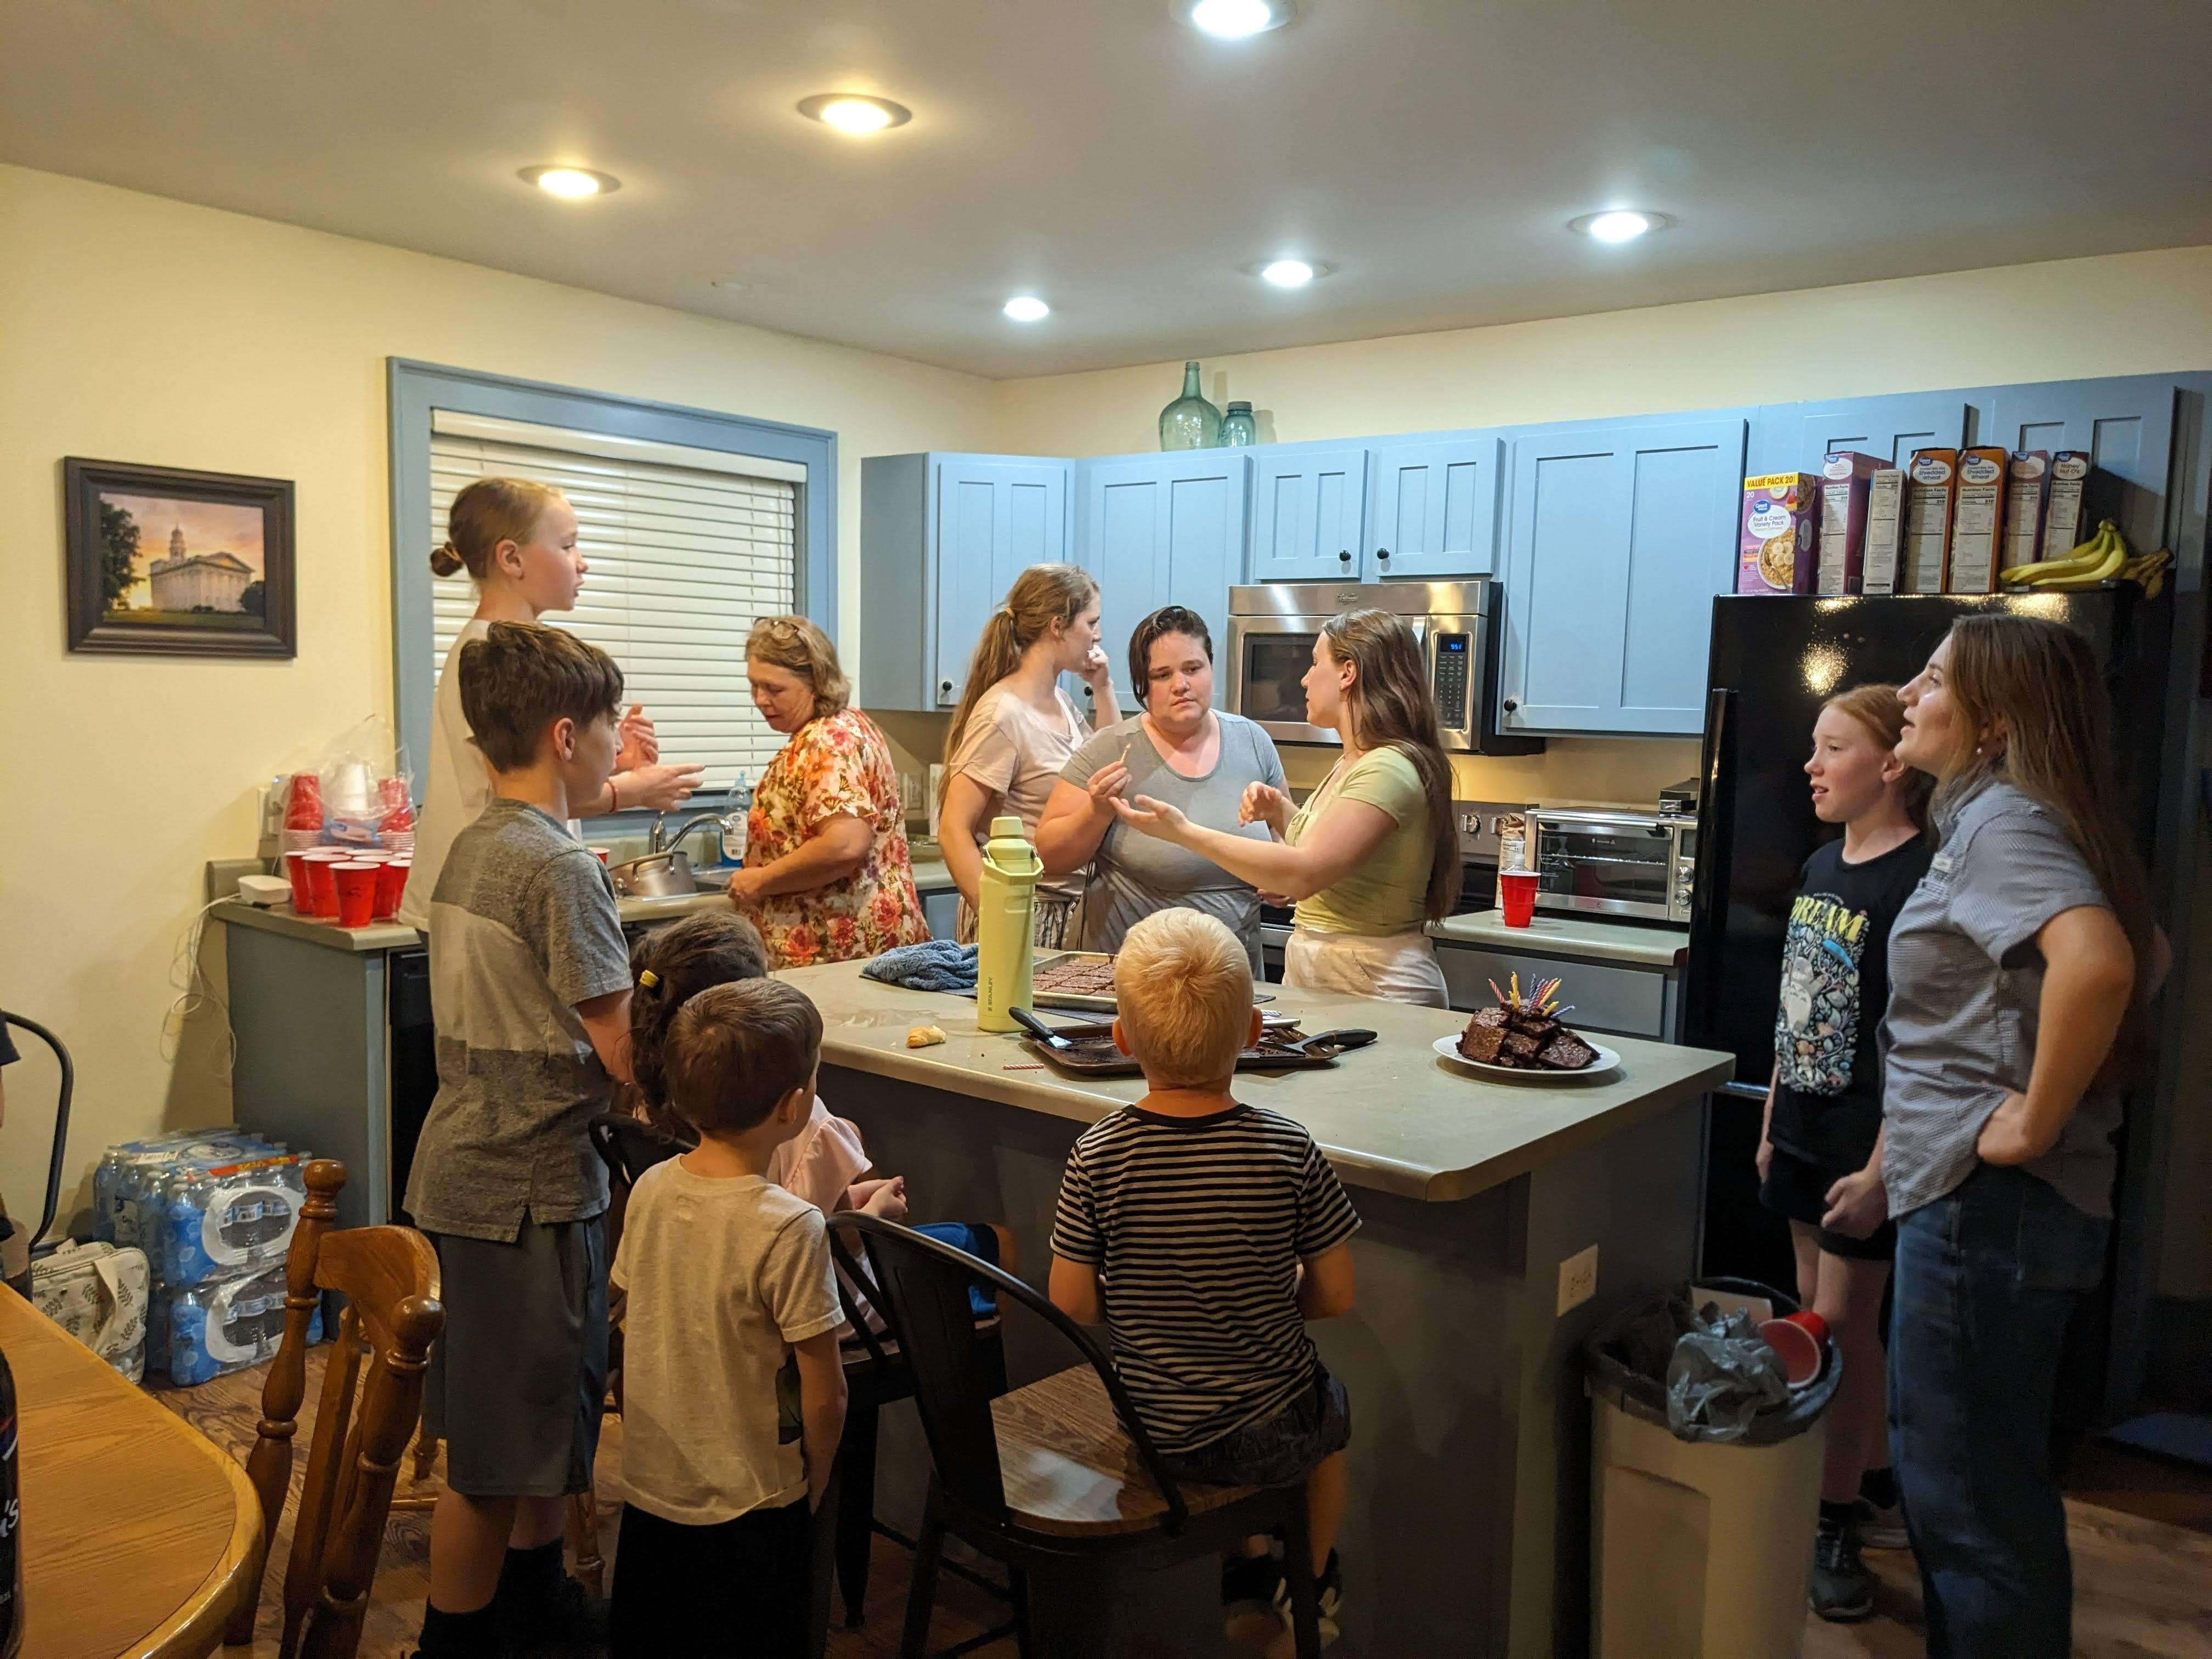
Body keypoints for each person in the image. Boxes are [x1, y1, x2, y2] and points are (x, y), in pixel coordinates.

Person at [1883, 614, 2163, 1658]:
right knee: (1987, 1490)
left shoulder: (2003, 824)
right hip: (1992, 1208)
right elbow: (2153, 944)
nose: (1906, 690)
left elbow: (2100, 962)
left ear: (1992, 724)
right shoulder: (2031, 817)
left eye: (1933, 678)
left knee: (1967, 1507)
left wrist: (2031, 1115)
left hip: (1984, 1210)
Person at [404, 622, 637, 1659]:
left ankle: (535, 1616)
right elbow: (623, 1052)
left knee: (542, 1428)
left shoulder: (474, 844)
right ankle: (454, 1647)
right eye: (608, 726)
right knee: (496, 1462)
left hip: (473, 1166)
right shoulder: (558, 867)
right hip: (526, 1187)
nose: (617, 742)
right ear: (562, 734)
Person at [1049, 910, 1359, 1656]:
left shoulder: (1097, 1154)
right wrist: (1278, 1295)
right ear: (1253, 1032)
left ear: (1121, 1041)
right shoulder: (1288, 1147)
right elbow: (1337, 1295)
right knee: (1331, 1422)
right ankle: (1309, 1581)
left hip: (1154, 1428)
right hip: (1270, 1429)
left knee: (1236, 1450)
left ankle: (1246, 1572)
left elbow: (1073, 1302)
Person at [1755, 684, 1931, 1622]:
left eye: (1833, 748)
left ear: (1891, 763)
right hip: (1800, 1123)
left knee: (1837, 1322)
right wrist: (1771, 1113)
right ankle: (1864, 1478)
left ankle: (1828, 1521)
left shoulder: (1917, 876)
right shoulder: (1824, 861)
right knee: (1820, 1310)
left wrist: (1881, 1159)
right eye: (1813, 747)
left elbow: (1917, 1038)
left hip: (1866, 1136)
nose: (1812, 766)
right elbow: (1797, 1003)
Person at [607, 977, 848, 1658]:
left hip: (653, 1487)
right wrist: (816, 1476)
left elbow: (630, 1316)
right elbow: (825, 1393)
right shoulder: (792, 1226)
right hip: (755, 1502)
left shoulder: (651, 1188)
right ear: (794, 1105)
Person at [625, 910, 1017, 1308]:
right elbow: (832, 1245)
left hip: (716, 1297)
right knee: (998, 1242)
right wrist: (875, 1215)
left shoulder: (655, 1097)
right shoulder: (802, 1124)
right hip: (823, 1307)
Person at [398, 476, 704, 929]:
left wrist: (609, 760)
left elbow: (534, 768)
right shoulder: (492, 658)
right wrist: (633, 790)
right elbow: (523, 793)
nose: (582, 564)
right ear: (511, 558)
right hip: (491, 900)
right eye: (568, 546)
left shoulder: (513, 654)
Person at [1111, 608, 1458, 1006]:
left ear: (1348, 673)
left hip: (1374, 981)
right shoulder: (1355, 761)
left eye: (1315, 663)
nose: (1305, 679)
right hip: (1338, 972)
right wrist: (1280, 813)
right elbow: (1328, 851)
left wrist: (1183, 832)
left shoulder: (1388, 767)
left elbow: (1304, 874)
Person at [1035, 606, 1286, 974]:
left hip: (1234, 978)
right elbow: (1049, 857)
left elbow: (1290, 843)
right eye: (1162, 675)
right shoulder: (1110, 750)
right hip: (1130, 979)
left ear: (1211, 669)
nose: (1181, 685)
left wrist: (1283, 881)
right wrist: (1096, 811)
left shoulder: (1252, 742)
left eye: (1192, 669)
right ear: (1142, 687)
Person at [725, 616, 928, 967]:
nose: (760, 699)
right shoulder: (850, 724)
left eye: (775, 689)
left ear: (817, 682)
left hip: (836, 951)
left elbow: (845, 843)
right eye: (754, 686)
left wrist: (760, 880)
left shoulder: (825, 742)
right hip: (864, 944)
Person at [939, 565, 1116, 946]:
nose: (1098, 635)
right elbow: (953, 830)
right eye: (1092, 622)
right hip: (1026, 909)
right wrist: (998, 917)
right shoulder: (1003, 714)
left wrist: (1103, 689)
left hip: (1070, 909)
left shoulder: (1063, 704)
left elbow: (1109, 763)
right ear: (1058, 626)